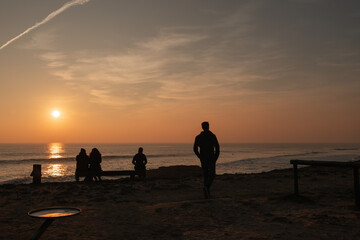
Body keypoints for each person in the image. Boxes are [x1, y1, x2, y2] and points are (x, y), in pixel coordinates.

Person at [193, 121, 220, 198]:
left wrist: (200, 156)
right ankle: (207, 189)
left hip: (206, 158)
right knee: (211, 174)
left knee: (207, 175)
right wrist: (215, 157)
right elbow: (217, 148)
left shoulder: (199, 137)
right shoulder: (211, 136)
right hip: (210, 158)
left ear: (202, 127)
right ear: (208, 126)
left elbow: (195, 149)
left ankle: (206, 189)